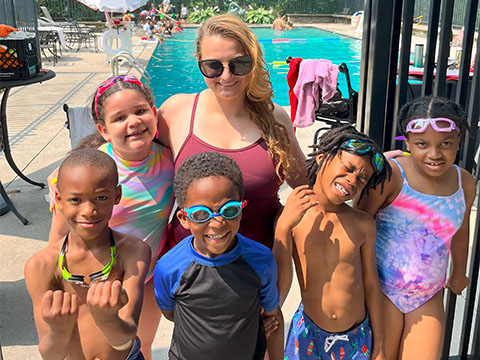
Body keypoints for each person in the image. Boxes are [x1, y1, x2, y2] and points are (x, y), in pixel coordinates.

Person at [48, 75, 175, 360]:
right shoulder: (86, 172)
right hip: (93, 279)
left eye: (140, 111)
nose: (133, 122)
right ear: (104, 130)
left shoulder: (169, 160)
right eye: (119, 118)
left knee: (139, 346)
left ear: (154, 114)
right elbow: (57, 238)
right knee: (97, 350)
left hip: (145, 275)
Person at [157, 14, 307, 250]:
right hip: (187, 269)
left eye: (239, 64)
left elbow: (305, 185)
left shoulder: (274, 117)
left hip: (257, 271)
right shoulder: (175, 112)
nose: (226, 76)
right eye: (213, 66)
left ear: (253, 62)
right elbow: (135, 170)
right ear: (199, 61)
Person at [355, 97, 476, 360]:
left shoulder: (464, 182)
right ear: (407, 143)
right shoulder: (391, 175)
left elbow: (461, 228)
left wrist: (459, 271)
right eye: (422, 144)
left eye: (445, 144)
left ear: (458, 142)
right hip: (382, 289)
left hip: (428, 294)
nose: (434, 154)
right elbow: (357, 223)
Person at [274, 125, 391, 360]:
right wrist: (283, 226)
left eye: (362, 179)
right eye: (347, 168)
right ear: (321, 157)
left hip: (357, 339)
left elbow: (370, 283)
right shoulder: (294, 216)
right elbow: (280, 281)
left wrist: (380, 343)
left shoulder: (362, 224)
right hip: (308, 334)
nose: (351, 180)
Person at [154, 152, 284, 360]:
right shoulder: (169, 267)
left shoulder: (261, 260)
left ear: (241, 210)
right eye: (201, 214)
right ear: (184, 218)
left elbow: (271, 313)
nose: (217, 222)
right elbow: (172, 314)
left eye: (229, 210)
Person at [25, 149, 151, 360]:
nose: (89, 210)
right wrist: (59, 331)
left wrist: (108, 320)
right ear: (58, 198)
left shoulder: (134, 252)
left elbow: (125, 340)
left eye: (101, 197)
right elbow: (50, 354)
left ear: (117, 195)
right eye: (75, 200)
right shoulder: (41, 265)